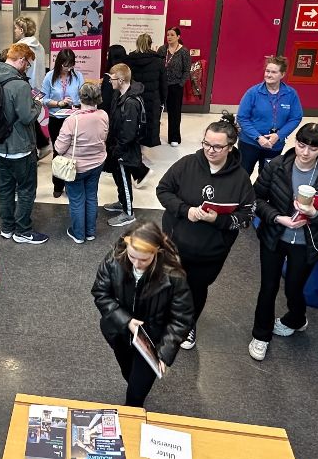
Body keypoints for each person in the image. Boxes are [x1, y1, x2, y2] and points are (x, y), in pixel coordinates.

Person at [156, 113, 255, 351]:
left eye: (218, 146)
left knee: (197, 289)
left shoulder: (241, 179)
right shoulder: (187, 164)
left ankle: (189, 324)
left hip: (210, 251)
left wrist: (218, 220)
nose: (210, 150)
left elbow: (246, 217)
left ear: (230, 148)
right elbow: (163, 190)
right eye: (207, 144)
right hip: (175, 243)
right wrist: (184, 210)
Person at [248, 123, 318, 361]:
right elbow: (255, 198)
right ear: (295, 142)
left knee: (294, 286)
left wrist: (314, 215)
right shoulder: (277, 166)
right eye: (301, 146)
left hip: (306, 242)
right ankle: (261, 336)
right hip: (274, 237)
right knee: (268, 287)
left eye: (313, 149)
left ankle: (296, 318)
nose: (305, 153)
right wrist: (277, 217)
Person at [91, 222, 194, 407]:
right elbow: (100, 292)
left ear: (156, 252)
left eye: (144, 260)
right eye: (132, 257)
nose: (137, 264)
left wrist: (164, 353)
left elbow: (182, 318)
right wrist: (126, 321)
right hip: (120, 333)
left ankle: (132, 412)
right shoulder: (115, 258)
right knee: (128, 373)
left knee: (136, 393)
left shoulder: (174, 275)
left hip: (153, 340)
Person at [0, 43, 47, 244]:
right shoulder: (20, 85)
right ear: (21, 60)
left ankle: (7, 227)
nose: (27, 68)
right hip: (19, 147)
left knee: (4, 188)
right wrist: (37, 104)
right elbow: (28, 117)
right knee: (26, 189)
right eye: (28, 64)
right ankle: (22, 231)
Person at [55, 82, 108, 244]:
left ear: (81, 97)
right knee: (91, 196)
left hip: (75, 167)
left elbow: (59, 147)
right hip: (98, 162)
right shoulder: (103, 115)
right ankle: (90, 232)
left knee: (77, 199)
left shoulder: (73, 121)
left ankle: (79, 234)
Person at [237, 56, 305, 177]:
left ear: (282, 74)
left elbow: (295, 117)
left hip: (275, 144)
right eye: (267, 71)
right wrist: (258, 138)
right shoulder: (253, 92)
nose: (268, 75)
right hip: (249, 143)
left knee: (267, 176)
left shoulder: (291, 94)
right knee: (242, 175)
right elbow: (242, 118)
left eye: (273, 72)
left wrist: (279, 135)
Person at [104, 63, 146, 227]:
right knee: (118, 178)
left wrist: (118, 149)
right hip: (117, 147)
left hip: (124, 150)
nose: (110, 82)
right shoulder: (120, 95)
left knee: (124, 180)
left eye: (112, 79)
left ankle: (128, 213)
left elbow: (128, 133)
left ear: (121, 80)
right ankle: (122, 202)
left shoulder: (130, 103)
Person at [41, 48, 84, 198]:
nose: (68, 68)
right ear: (59, 63)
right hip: (55, 119)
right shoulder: (49, 77)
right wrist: (58, 103)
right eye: (65, 65)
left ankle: (72, 183)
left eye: (71, 65)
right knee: (59, 152)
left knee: (74, 151)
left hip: (73, 118)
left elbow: (82, 96)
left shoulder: (78, 76)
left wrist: (77, 105)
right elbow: (43, 99)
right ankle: (58, 184)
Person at [126, 33, 166, 148]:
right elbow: (163, 83)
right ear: (150, 44)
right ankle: (149, 141)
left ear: (137, 43)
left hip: (134, 96)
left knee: (134, 120)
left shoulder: (129, 60)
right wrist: (163, 99)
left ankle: (135, 143)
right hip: (153, 97)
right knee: (151, 121)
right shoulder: (158, 61)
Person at [158, 27, 191, 147]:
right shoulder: (162, 49)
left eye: (172, 35)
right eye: (168, 35)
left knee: (174, 113)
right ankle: (154, 135)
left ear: (178, 37)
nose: (169, 37)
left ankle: (174, 137)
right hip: (162, 85)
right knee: (157, 110)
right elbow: (157, 65)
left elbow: (187, 70)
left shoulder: (184, 51)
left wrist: (181, 83)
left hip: (176, 86)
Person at [13, 15, 46, 90]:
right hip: (39, 88)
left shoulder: (19, 48)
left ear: (21, 30)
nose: (14, 31)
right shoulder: (40, 47)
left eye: (16, 28)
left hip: (24, 88)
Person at [101, 45, 128, 120]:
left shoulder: (110, 76)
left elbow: (105, 101)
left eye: (107, 54)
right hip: (125, 113)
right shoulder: (128, 72)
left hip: (111, 115)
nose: (106, 57)